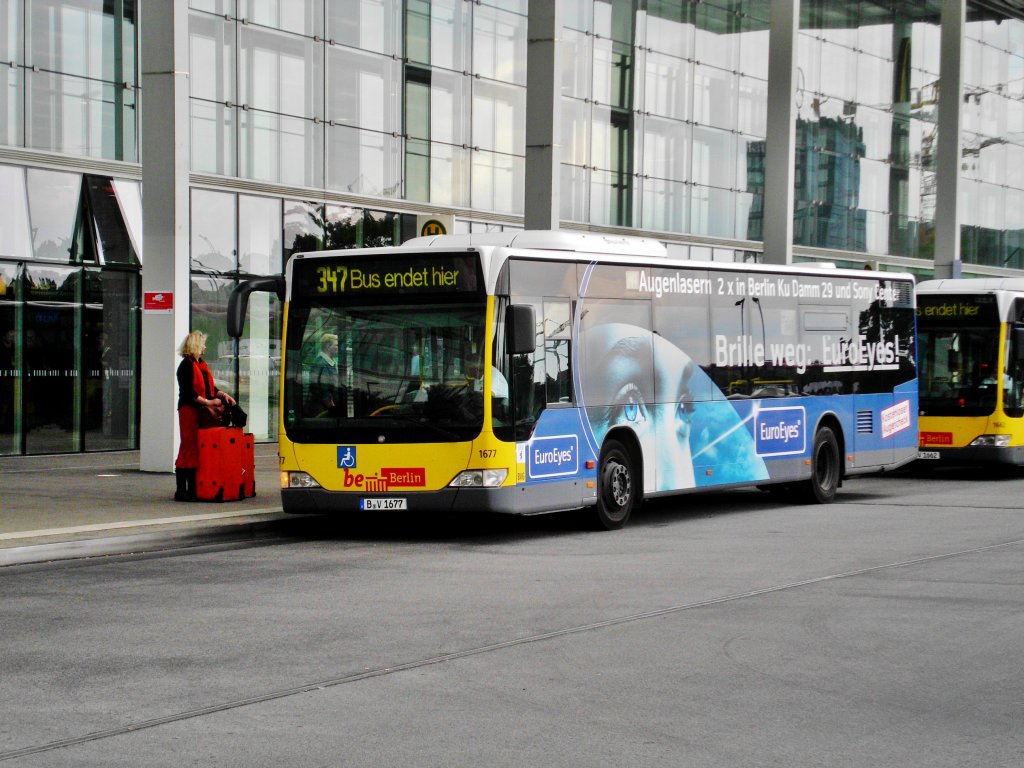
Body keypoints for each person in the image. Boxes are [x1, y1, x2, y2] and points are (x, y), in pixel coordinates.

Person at [174, 330, 236, 501]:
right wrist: (209, 403)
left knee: (197, 447)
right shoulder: (186, 365)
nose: (205, 347)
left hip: (199, 411)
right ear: (195, 346)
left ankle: (193, 488)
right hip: (189, 411)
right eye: (202, 344)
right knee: (189, 446)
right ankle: (182, 489)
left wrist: (222, 395)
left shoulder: (200, 364)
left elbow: (210, 389)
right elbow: (188, 394)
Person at [307, 333, 339, 416]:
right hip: (322, 409)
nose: (338, 348)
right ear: (328, 347)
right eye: (336, 345)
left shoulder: (328, 362)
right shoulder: (321, 363)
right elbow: (322, 387)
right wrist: (331, 407)